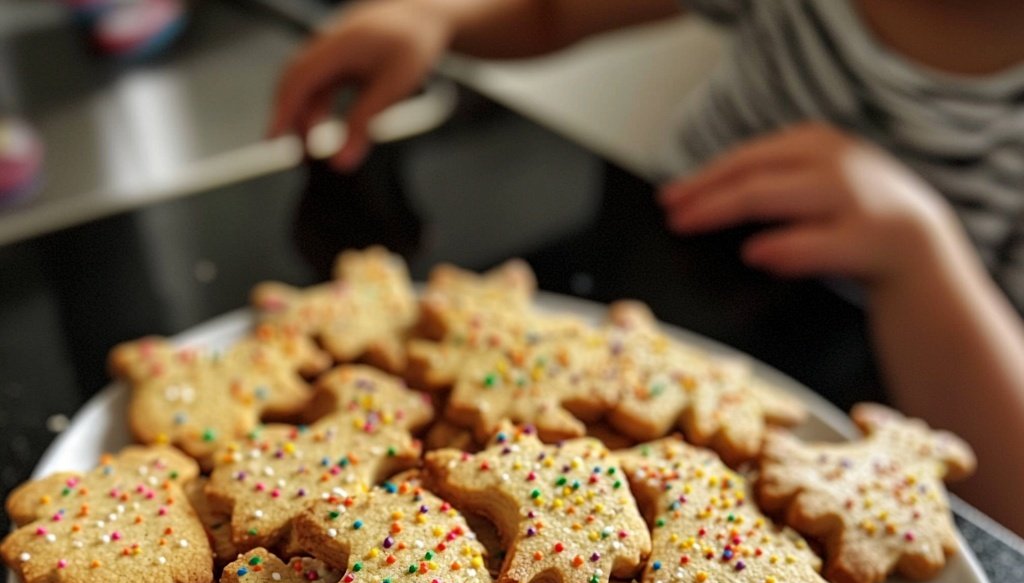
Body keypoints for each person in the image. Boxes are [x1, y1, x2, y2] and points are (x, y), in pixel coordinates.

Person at [269, 0, 1024, 537]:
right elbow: (550, 11)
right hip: (642, 294)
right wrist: (439, 18)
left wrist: (920, 252)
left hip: (844, 403)